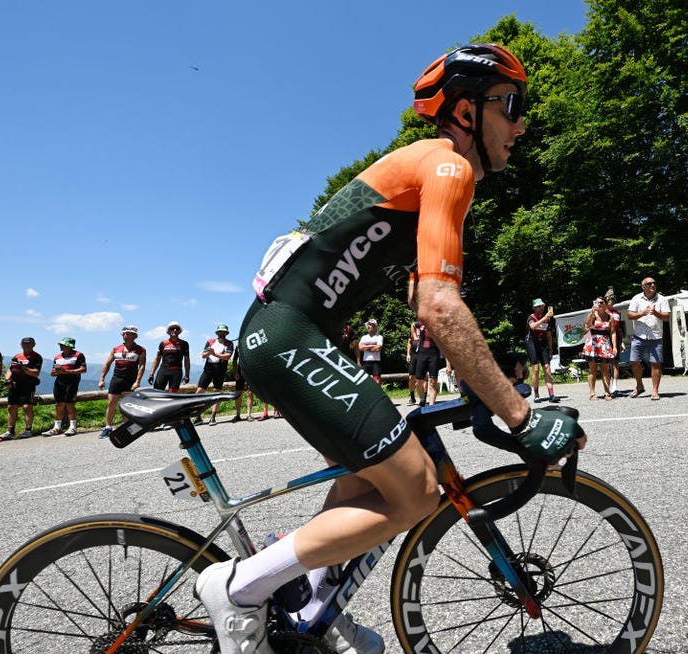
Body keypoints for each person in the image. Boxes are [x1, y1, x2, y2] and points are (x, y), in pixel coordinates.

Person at [196, 44, 586, 654]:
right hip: (289, 336)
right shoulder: (447, 168)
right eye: (511, 106)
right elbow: (439, 305)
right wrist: (520, 414)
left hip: (291, 334)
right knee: (416, 490)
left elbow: (415, 294)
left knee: (366, 481)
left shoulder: (423, 168)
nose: (522, 123)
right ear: (465, 112)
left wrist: (479, 386)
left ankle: (309, 610)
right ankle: (241, 588)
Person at [97, 326, 147, 439]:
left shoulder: (141, 350)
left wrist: (137, 381)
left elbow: (142, 366)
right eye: (124, 333)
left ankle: (125, 427)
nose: (126, 335)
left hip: (130, 380)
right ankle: (108, 427)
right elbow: (107, 364)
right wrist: (101, 379)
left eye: (129, 333)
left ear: (135, 336)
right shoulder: (116, 349)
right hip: (117, 379)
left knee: (127, 405)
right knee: (111, 403)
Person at [627, 277, 670, 400]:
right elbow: (629, 315)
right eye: (649, 283)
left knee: (655, 364)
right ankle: (639, 386)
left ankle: (655, 391)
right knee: (634, 362)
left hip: (656, 336)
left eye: (654, 283)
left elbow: (666, 317)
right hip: (639, 335)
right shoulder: (636, 298)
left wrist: (656, 313)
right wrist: (643, 313)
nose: (652, 285)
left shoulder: (662, 299)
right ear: (643, 287)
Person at [0, 337, 43, 439]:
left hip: (28, 385)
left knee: (27, 407)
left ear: (33, 345)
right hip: (14, 385)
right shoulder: (17, 356)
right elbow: (10, 369)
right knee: (11, 407)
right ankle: (10, 431)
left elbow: (36, 373)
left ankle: (28, 430)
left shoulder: (36, 357)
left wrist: (24, 368)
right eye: (24, 343)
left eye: (29, 343)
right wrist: (7, 379)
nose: (26, 345)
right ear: (21, 344)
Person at [42, 337, 87, 436]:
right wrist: (55, 372)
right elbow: (52, 372)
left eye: (63, 345)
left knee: (70, 404)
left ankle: (73, 427)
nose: (61, 347)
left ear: (69, 346)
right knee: (59, 404)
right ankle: (57, 428)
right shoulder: (57, 357)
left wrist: (66, 372)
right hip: (59, 382)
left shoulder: (78, 355)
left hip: (72, 382)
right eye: (60, 345)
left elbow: (83, 369)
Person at [193, 324, 234, 426]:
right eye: (220, 331)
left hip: (220, 369)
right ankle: (198, 416)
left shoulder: (229, 343)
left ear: (226, 333)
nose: (222, 333)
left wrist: (214, 353)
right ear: (217, 333)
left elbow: (227, 357)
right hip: (208, 368)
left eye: (224, 332)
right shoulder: (210, 341)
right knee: (199, 391)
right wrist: (209, 353)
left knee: (217, 392)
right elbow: (203, 355)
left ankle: (213, 417)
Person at [581, 297, 618, 400]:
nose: (599, 304)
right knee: (592, 369)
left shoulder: (610, 316)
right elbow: (587, 325)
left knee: (605, 369)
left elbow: (613, 332)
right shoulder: (592, 315)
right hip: (593, 343)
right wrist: (592, 313)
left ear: (605, 304)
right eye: (597, 302)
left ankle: (607, 392)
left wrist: (614, 346)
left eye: (601, 302)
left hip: (605, 344)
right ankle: (592, 393)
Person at [525, 298, 556, 403]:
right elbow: (533, 326)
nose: (540, 308)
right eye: (538, 306)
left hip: (542, 343)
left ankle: (551, 394)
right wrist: (545, 318)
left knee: (547, 367)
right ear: (534, 308)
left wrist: (551, 349)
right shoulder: (531, 317)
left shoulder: (547, 319)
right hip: (532, 343)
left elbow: (549, 334)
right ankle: (537, 394)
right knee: (536, 369)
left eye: (541, 306)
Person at [412, 321, 448, 406]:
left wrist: (448, 364)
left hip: (434, 355)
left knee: (433, 381)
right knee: (418, 381)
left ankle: (431, 405)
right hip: (421, 354)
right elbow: (413, 325)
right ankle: (422, 400)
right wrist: (414, 335)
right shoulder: (422, 324)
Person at [149, 321, 190, 391]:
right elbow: (157, 359)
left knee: (172, 394)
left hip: (176, 371)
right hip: (164, 370)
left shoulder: (184, 344)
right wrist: (151, 373)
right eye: (172, 328)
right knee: (157, 392)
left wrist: (187, 375)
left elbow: (187, 360)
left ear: (179, 331)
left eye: (177, 328)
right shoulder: (163, 343)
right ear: (168, 330)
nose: (174, 330)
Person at [603, 287, 627, 396]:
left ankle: (615, 386)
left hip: (616, 338)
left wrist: (621, 341)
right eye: (608, 301)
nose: (610, 303)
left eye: (612, 301)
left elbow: (619, 328)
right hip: (605, 338)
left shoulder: (617, 313)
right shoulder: (603, 312)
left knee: (615, 362)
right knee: (607, 363)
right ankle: (607, 388)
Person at [230, 345, 254, 422]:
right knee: (238, 393)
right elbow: (234, 360)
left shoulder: (250, 343)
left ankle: (249, 415)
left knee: (250, 393)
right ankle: (237, 415)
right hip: (240, 372)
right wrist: (235, 372)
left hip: (250, 371)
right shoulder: (238, 346)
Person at [356, 318, 383, 384]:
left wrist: (366, 347)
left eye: (371, 325)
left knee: (377, 381)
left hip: (376, 362)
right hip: (366, 361)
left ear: (375, 326)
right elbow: (360, 347)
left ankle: (377, 394)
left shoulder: (379, 337)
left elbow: (378, 348)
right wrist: (372, 347)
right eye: (368, 325)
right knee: (365, 381)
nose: (369, 326)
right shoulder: (364, 337)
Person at [405, 321, 421, 405]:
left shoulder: (425, 327)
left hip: (423, 354)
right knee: (411, 377)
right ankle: (412, 397)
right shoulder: (413, 327)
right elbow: (409, 341)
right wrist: (408, 354)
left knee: (422, 377)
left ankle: (423, 398)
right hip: (414, 354)